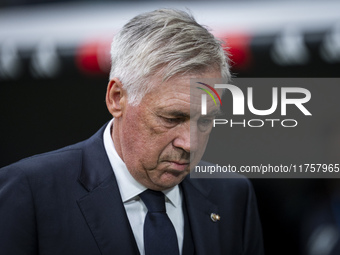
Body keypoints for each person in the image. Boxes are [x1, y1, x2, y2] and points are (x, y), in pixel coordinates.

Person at [0, 9, 263, 255]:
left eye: (205, 121)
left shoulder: (232, 195)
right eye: (172, 118)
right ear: (117, 98)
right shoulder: (29, 192)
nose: (190, 144)